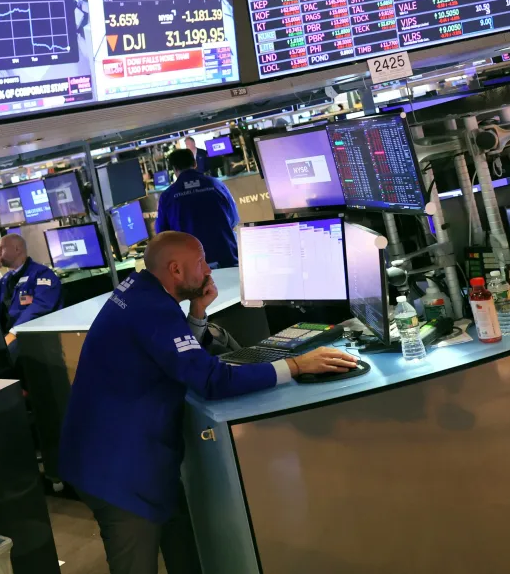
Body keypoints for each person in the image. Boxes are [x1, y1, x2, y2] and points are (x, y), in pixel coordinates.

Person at [57, 232, 359, 574]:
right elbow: (212, 380)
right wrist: (296, 365)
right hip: (118, 473)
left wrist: (197, 311)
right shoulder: (153, 309)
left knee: (182, 542)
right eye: (200, 262)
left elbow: (173, 353)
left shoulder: (139, 290)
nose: (208, 270)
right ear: (175, 270)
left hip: (121, 456)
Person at [156, 148, 238, 268]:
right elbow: (234, 219)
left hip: (192, 267)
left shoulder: (167, 196)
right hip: (227, 258)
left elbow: (163, 235)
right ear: (195, 163)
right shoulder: (216, 184)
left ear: (174, 169)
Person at [0, 234, 63, 344]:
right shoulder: (6, 279)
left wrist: (14, 332)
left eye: (1, 249)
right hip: (6, 338)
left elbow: (41, 306)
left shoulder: (41, 274)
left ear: (17, 249)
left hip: (32, 340)